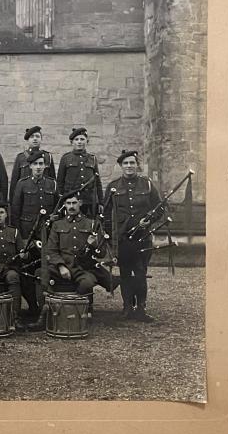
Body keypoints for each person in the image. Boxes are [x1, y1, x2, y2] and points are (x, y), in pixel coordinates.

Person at [104, 149, 164, 321]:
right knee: (125, 273)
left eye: (132, 163)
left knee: (140, 272)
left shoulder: (148, 185)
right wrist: (110, 236)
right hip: (123, 238)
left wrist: (149, 220)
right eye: (126, 163)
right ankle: (127, 307)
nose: (129, 166)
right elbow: (106, 214)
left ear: (137, 165)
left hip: (143, 237)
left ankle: (141, 308)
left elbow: (159, 208)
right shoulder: (113, 186)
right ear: (121, 166)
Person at [44, 192, 112, 307]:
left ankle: (77, 312)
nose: (71, 206)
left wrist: (95, 245)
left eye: (74, 203)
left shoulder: (92, 224)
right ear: (64, 205)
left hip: (83, 269)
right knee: (41, 275)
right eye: (68, 203)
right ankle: (47, 312)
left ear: (80, 203)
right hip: (63, 266)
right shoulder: (57, 225)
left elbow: (102, 253)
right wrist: (60, 266)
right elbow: (51, 250)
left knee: (87, 283)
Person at [56, 127, 102, 218]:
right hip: (72, 201)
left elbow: (98, 182)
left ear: (87, 141)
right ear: (72, 142)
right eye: (76, 139)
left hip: (89, 201)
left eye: (82, 139)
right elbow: (60, 182)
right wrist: (61, 200)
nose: (79, 142)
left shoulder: (92, 158)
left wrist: (101, 202)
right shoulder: (66, 158)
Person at [10, 151, 59, 235]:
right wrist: (18, 232)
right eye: (35, 164)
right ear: (30, 166)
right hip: (27, 228)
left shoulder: (52, 183)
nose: (38, 167)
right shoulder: (22, 184)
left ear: (45, 166)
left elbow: (57, 207)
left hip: (47, 228)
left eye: (41, 164)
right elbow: (15, 211)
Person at [9, 126, 56, 198]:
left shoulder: (47, 156)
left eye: (37, 136)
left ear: (41, 139)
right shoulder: (21, 157)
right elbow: (14, 182)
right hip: (25, 195)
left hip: (43, 195)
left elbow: (52, 179)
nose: (35, 139)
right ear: (28, 140)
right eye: (32, 137)